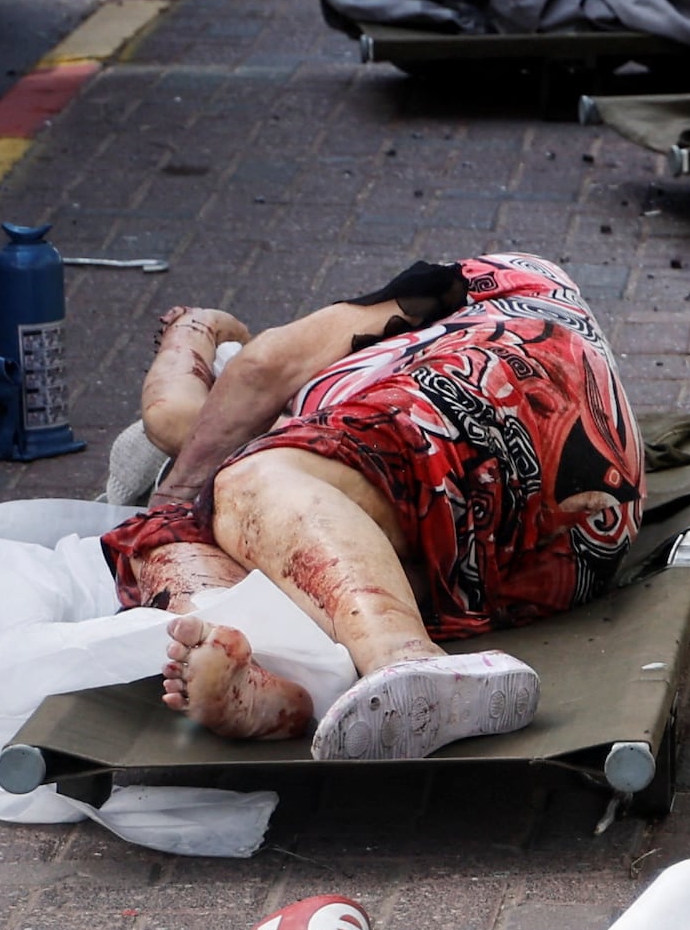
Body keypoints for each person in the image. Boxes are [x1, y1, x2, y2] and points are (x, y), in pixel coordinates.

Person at [99, 248, 644, 760]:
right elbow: (177, 416)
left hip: (497, 399)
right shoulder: (310, 423)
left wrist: (199, 331)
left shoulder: (484, 284)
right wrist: (201, 332)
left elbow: (261, 365)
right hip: (559, 553)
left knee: (237, 489)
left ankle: (405, 659)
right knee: (204, 537)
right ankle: (269, 680)